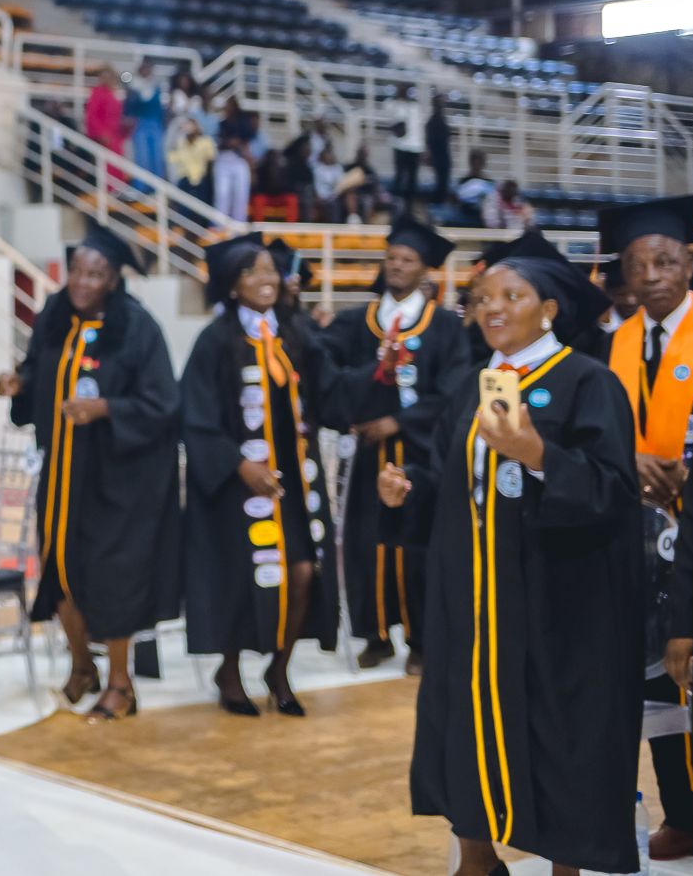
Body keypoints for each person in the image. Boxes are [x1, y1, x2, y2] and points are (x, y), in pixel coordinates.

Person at [383, 236, 639, 876]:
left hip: (554, 600)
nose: (492, 307)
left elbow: (613, 489)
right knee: (465, 718)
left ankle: (565, 867)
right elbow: (451, 480)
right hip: (474, 597)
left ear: (548, 310)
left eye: (511, 296)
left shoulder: (587, 381)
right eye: (483, 298)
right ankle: (476, 857)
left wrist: (539, 455)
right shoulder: (475, 386)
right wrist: (410, 489)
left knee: (559, 729)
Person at [0, 223, 180, 722]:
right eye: (76, 271)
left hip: (115, 481)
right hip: (61, 477)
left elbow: (163, 403)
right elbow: (38, 368)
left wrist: (104, 409)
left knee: (110, 580)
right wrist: (20, 382)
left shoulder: (138, 327)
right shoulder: (56, 315)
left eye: (95, 274)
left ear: (114, 279)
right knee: (59, 572)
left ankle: (122, 684)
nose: (81, 282)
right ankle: (83, 666)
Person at [597, 195, 693, 862]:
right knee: (655, 673)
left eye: (665, 260)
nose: (652, 275)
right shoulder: (612, 341)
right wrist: (627, 461)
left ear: (690, 262)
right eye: (637, 264)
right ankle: (685, 812)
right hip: (636, 540)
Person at [183, 232, 338, 716]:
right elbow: (195, 417)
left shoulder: (295, 332)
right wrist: (237, 463)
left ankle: (279, 668)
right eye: (253, 272)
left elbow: (329, 389)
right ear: (233, 285)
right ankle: (229, 672)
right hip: (234, 488)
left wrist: (381, 374)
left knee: (303, 571)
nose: (267, 278)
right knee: (238, 578)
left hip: (292, 483)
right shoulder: (214, 341)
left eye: (272, 269)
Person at [319, 217, 471, 674]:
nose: (397, 266)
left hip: (420, 457)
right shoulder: (355, 322)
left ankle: (422, 641)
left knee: (417, 545)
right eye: (391, 258)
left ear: (425, 268)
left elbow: (453, 392)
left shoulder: (444, 326)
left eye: (407, 259)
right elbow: (327, 376)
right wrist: (354, 409)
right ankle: (377, 635)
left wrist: (398, 422)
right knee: (368, 543)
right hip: (367, 458)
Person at [124, 61, 165, 180]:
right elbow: (129, 109)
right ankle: (140, 187)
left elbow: (160, 109)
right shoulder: (133, 86)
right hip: (140, 124)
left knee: (157, 158)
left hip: (155, 125)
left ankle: (157, 187)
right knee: (142, 158)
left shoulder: (156, 86)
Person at [211, 119, 252, 223]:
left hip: (239, 160)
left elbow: (247, 148)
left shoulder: (244, 124)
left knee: (240, 197)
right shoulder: (221, 125)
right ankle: (219, 226)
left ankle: (239, 226)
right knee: (222, 196)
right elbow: (217, 144)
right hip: (223, 159)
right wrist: (228, 142)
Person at [167, 116, 215, 203]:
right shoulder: (180, 143)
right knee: (183, 206)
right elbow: (172, 159)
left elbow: (211, 158)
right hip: (184, 180)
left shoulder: (205, 142)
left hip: (200, 180)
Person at [391, 84, 425, 206]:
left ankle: (409, 206)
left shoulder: (414, 107)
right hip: (400, 147)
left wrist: (422, 148)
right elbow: (395, 125)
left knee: (412, 179)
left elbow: (418, 129)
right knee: (399, 177)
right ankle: (396, 205)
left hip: (413, 148)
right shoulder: (393, 105)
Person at [454, 149, 496, 225]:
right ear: (470, 161)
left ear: (483, 163)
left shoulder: (490, 183)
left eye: (479, 160)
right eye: (474, 159)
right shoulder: (461, 181)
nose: (476, 163)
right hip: (464, 218)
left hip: (484, 220)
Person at [426, 93, 454, 204]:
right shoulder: (433, 121)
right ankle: (436, 203)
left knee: (444, 181)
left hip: (444, 153)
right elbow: (430, 140)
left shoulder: (442, 119)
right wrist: (430, 155)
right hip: (438, 154)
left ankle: (439, 202)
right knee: (440, 181)